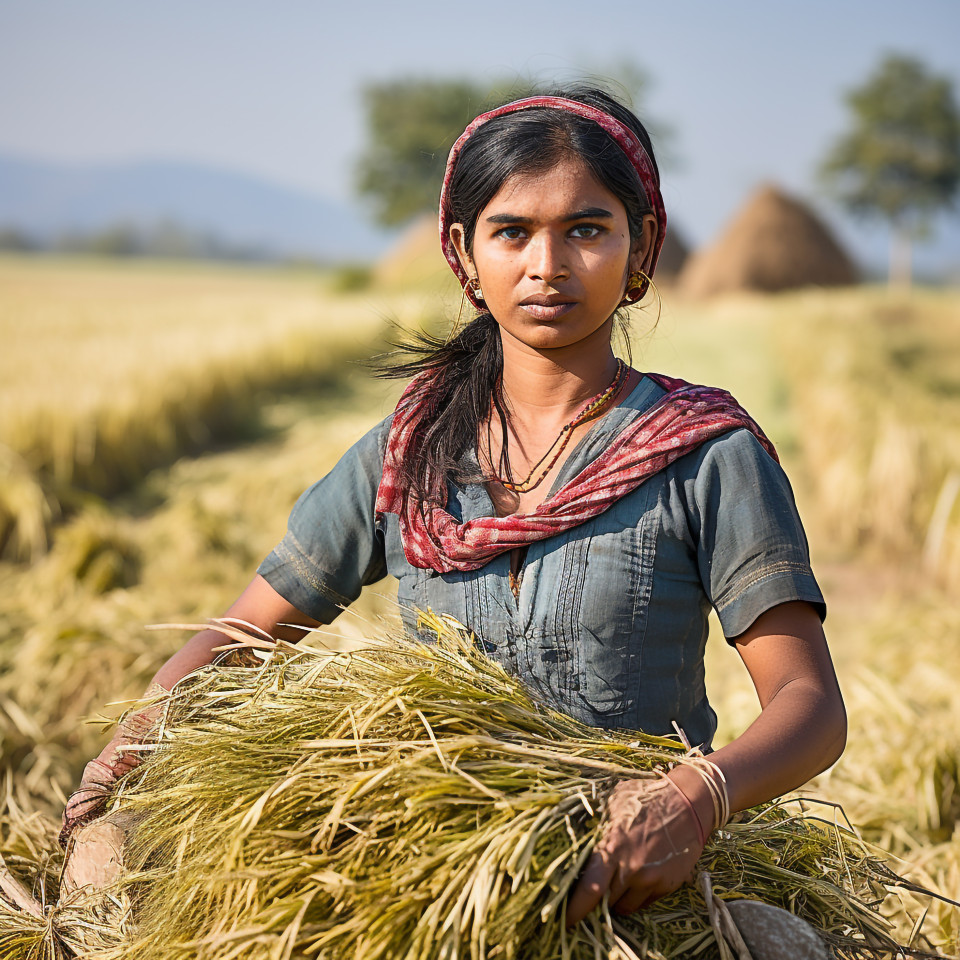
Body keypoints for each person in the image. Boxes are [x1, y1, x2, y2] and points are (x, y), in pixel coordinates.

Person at [61, 87, 846, 923]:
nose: (547, 265)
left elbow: (809, 703)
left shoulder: (704, 453)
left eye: (587, 229)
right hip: (426, 860)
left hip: (627, 876)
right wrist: (140, 731)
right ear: (464, 254)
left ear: (641, 247)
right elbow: (248, 630)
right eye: (512, 232)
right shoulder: (406, 453)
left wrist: (694, 799)